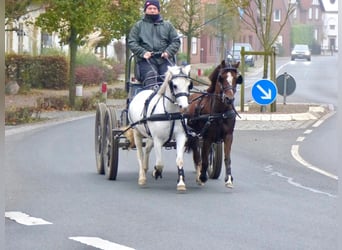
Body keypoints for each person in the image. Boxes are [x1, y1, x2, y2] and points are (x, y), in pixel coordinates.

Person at [128, 0, 181, 85]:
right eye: (149, 8)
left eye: (154, 8)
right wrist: (143, 52)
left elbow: (176, 41)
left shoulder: (168, 26)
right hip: (146, 61)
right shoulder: (138, 26)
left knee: (169, 79)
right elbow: (132, 42)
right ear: (145, 10)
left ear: (158, 10)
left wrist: (168, 52)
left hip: (165, 60)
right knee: (151, 78)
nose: (152, 10)